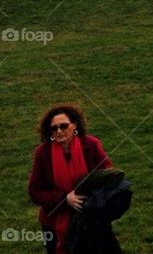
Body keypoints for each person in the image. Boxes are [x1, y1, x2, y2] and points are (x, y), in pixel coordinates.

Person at [28, 104, 112, 254]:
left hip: (91, 217)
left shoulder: (91, 145)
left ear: (74, 125)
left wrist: (90, 200)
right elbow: (35, 191)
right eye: (55, 128)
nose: (59, 131)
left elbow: (108, 177)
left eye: (64, 126)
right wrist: (64, 199)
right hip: (54, 222)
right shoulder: (43, 153)